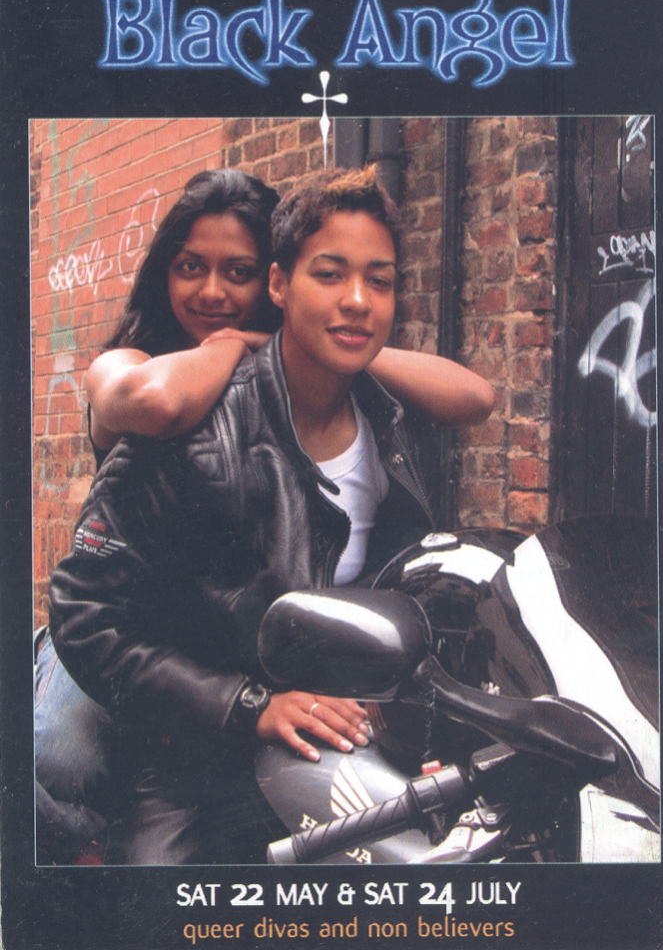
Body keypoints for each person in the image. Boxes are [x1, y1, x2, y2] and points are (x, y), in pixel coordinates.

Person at [44, 166, 494, 864]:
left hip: (345, 739)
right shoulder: (184, 420)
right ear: (281, 287)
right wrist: (250, 704)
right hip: (199, 751)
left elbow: (418, 579)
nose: (356, 299)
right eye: (330, 274)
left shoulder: (395, 423)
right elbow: (84, 608)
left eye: (379, 281)